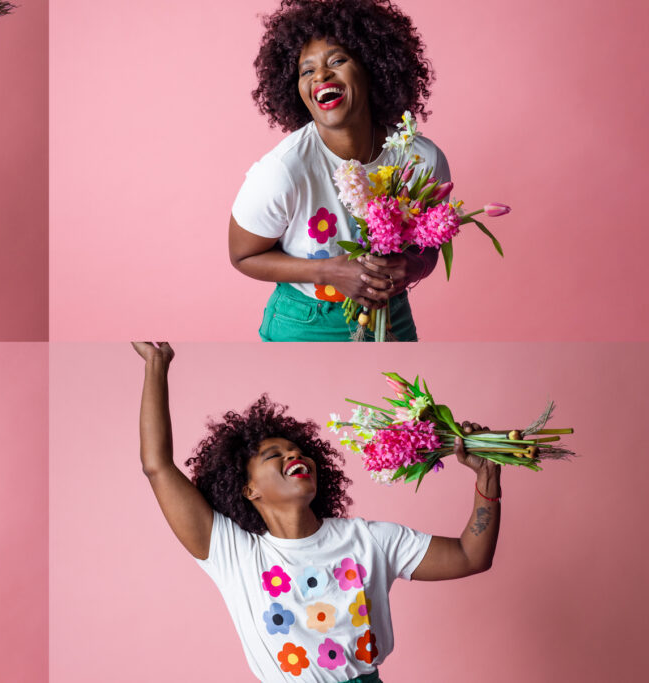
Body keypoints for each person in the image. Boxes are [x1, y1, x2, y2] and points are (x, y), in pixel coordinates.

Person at [133, 342, 502, 682]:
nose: (294, 455)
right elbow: (158, 467)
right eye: (274, 455)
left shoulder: (367, 540)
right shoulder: (234, 554)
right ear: (249, 490)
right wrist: (156, 363)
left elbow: (470, 556)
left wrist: (488, 477)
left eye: (298, 451)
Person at [228, 0, 449, 341]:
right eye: (306, 70)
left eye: (337, 60)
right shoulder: (283, 170)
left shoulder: (420, 159)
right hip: (305, 321)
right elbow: (242, 255)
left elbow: (431, 247)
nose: (321, 75)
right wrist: (327, 271)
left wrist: (412, 267)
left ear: (372, 68)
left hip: (392, 316)